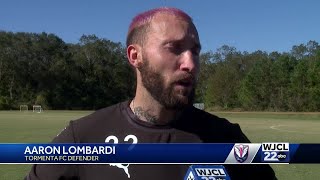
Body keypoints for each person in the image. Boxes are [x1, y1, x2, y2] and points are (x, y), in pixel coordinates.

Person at [26, 7, 277, 180]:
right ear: (136, 56)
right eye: (174, 48)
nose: (190, 63)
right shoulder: (81, 137)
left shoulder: (227, 139)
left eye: (195, 51)